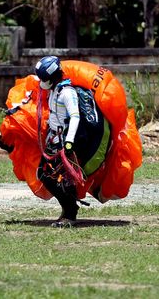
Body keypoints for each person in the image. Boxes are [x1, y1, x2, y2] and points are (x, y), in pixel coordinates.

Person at [33, 55, 109, 227]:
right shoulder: (54, 90)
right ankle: (68, 210)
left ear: (51, 77)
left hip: (64, 143)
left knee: (53, 177)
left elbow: (74, 117)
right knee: (45, 174)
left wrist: (68, 142)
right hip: (54, 140)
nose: (42, 82)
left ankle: (70, 213)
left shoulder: (67, 92)